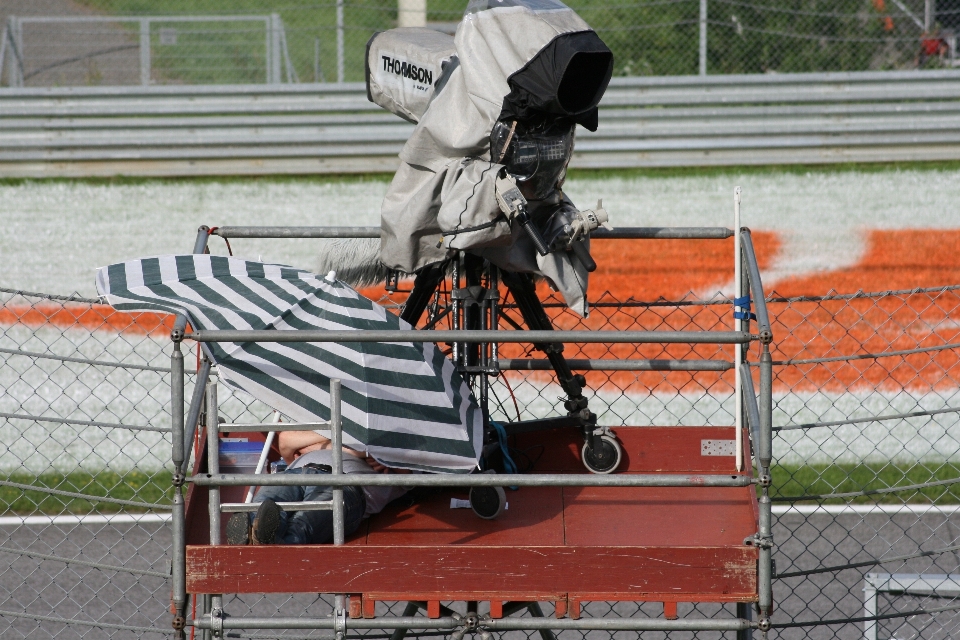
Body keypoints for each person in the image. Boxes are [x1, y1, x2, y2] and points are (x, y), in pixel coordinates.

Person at [226, 430, 409, 545]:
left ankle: (266, 541)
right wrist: (349, 441)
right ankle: (255, 532)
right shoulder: (355, 436)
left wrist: (324, 444)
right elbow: (286, 441)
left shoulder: (400, 448)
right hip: (297, 473)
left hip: (345, 485)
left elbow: (403, 464)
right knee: (267, 505)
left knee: (304, 523)